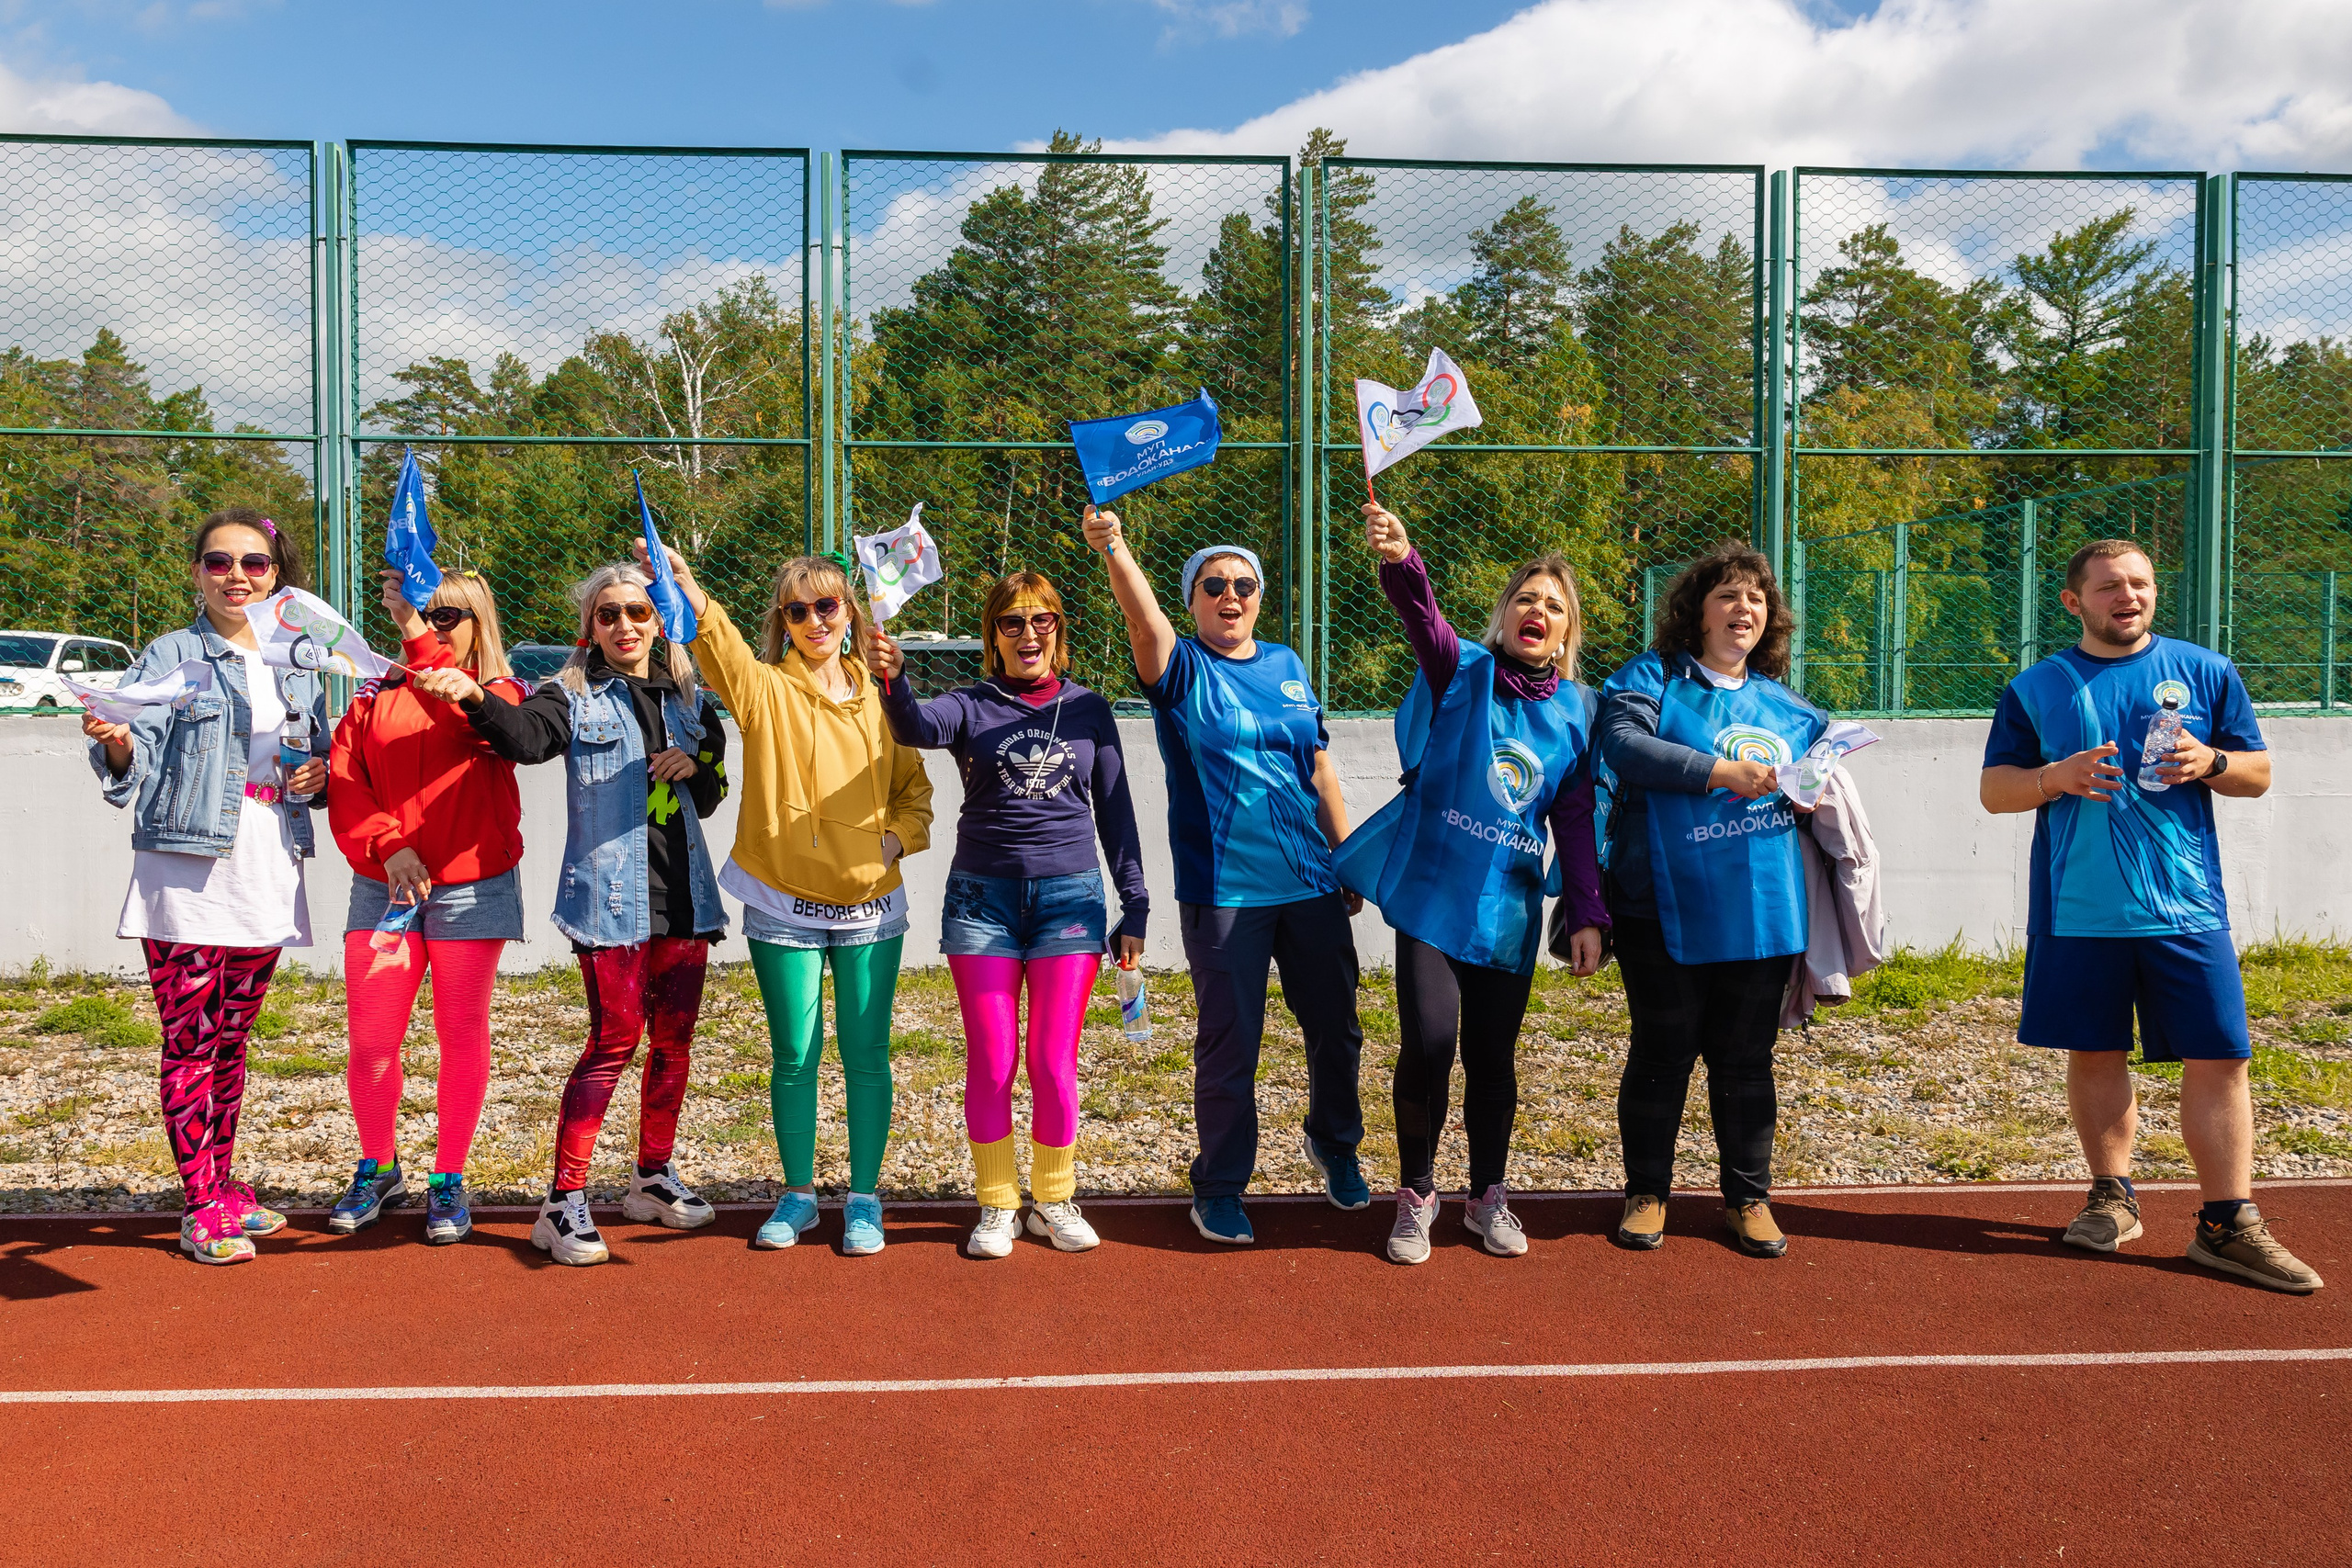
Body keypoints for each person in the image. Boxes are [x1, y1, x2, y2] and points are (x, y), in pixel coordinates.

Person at [1978, 537, 2318, 1292]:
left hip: (2186, 907)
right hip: (2078, 910)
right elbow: (1996, 790)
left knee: (2223, 1056)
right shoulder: (2038, 685)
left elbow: (2258, 772)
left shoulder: (2205, 670)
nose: (2126, 596)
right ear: (2074, 602)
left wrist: (2214, 763)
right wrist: (2054, 777)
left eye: (2140, 584)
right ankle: (2113, 1195)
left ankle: (2227, 1222)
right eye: (2108, 587)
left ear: (2155, 593)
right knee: (2094, 1050)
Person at [413, 562, 729, 1268]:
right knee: (614, 1041)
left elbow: (712, 790)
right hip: (611, 903)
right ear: (589, 625)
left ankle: (651, 1176)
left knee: (673, 1043)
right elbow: (525, 737)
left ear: (659, 621)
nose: (624, 625)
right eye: (609, 613)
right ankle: (563, 1203)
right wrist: (471, 697)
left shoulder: (690, 698)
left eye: (639, 613)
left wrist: (695, 767)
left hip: (684, 898)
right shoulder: (573, 694)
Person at [1080, 504, 1366, 1246]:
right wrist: (1115, 548)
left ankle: (1335, 1146)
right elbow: (1144, 627)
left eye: (1243, 582)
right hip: (1226, 894)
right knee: (1231, 1041)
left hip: (1312, 883)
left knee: (1337, 1028)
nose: (1230, 594)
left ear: (1261, 596)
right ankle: (1219, 1185)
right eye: (1213, 585)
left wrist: (1350, 853)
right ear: (1193, 600)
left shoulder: (1289, 666)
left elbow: (1321, 767)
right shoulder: (1180, 671)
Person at [648, 543, 933, 1258]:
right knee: (795, 1054)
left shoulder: (882, 693)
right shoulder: (764, 688)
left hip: (870, 904)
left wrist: (893, 844)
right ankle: (800, 1194)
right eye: (798, 609)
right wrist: (691, 590)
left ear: (849, 611)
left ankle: (863, 1199)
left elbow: (915, 795)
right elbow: (723, 651)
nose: (814, 620)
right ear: (784, 620)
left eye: (827, 605)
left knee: (867, 1053)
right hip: (783, 905)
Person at [1340, 505, 1608, 1265]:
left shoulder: (1578, 711)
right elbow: (1423, 619)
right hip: (1432, 896)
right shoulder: (1464, 672)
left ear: (1566, 633)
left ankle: (1487, 1194)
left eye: (1554, 606)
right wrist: (1401, 560)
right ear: (1506, 612)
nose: (1538, 611)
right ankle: (1417, 1192)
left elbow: (1578, 818)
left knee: (1493, 1055)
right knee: (1430, 1041)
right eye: (1527, 597)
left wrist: (1586, 910)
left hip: (1508, 911)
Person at [868, 570, 1148, 1258]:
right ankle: (997, 1205)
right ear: (993, 634)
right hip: (982, 903)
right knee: (992, 1061)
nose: (1028, 634)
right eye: (1012, 622)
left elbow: (1115, 810)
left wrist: (1135, 900)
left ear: (1059, 628)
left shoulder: (1089, 708)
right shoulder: (971, 702)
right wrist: (896, 677)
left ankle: (1053, 1198)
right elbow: (914, 724)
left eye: (1042, 620)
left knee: (1053, 1062)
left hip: (1071, 902)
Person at [83, 507, 330, 1266]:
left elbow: (306, 754)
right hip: (188, 870)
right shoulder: (172, 652)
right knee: (190, 1041)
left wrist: (313, 776)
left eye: (253, 564)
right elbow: (133, 751)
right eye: (219, 562)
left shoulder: (296, 659)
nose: (236, 576)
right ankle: (198, 1205)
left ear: (275, 575)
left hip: (267, 862)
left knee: (232, 1040)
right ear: (197, 572)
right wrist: (120, 745)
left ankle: (222, 1183)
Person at [1599, 540, 1825, 1258]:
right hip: (1656, 902)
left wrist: (1822, 793)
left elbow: (1822, 783)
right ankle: (1647, 1191)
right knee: (1663, 1049)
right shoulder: (1650, 677)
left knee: (1746, 1058)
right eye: (1728, 594)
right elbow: (1624, 745)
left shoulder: (1793, 709)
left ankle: (1748, 1196)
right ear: (1696, 610)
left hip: (1761, 910)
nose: (1744, 608)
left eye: (1756, 598)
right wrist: (1722, 770)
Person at [325, 569, 528, 1246]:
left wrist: (418, 639)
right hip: (386, 888)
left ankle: (449, 1175)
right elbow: (347, 778)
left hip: (472, 886)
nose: (435, 625)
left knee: (460, 1034)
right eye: (427, 614)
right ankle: (379, 1164)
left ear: (478, 625)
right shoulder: (375, 694)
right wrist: (388, 847)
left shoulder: (495, 694)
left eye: (450, 617)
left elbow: (471, 725)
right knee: (372, 1041)